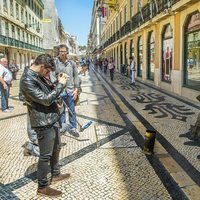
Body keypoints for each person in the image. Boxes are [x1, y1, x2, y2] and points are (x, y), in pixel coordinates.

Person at [20, 54, 70, 197]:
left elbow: (48, 92)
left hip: (51, 118)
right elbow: (46, 99)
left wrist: (55, 83)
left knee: (56, 148)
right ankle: (42, 187)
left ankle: (55, 174)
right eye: (47, 71)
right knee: (45, 155)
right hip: (43, 121)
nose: (48, 73)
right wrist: (60, 84)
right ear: (42, 66)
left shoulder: (38, 75)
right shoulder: (27, 80)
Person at [52, 44, 80, 137]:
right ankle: (62, 127)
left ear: (67, 52)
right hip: (60, 91)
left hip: (70, 90)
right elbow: (51, 76)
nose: (63, 53)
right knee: (61, 111)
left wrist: (76, 90)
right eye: (61, 51)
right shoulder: (55, 63)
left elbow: (76, 77)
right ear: (58, 52)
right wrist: (58, 78)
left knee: (72, 110)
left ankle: (73, 127)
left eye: (64, 51)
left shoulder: (72, 63)